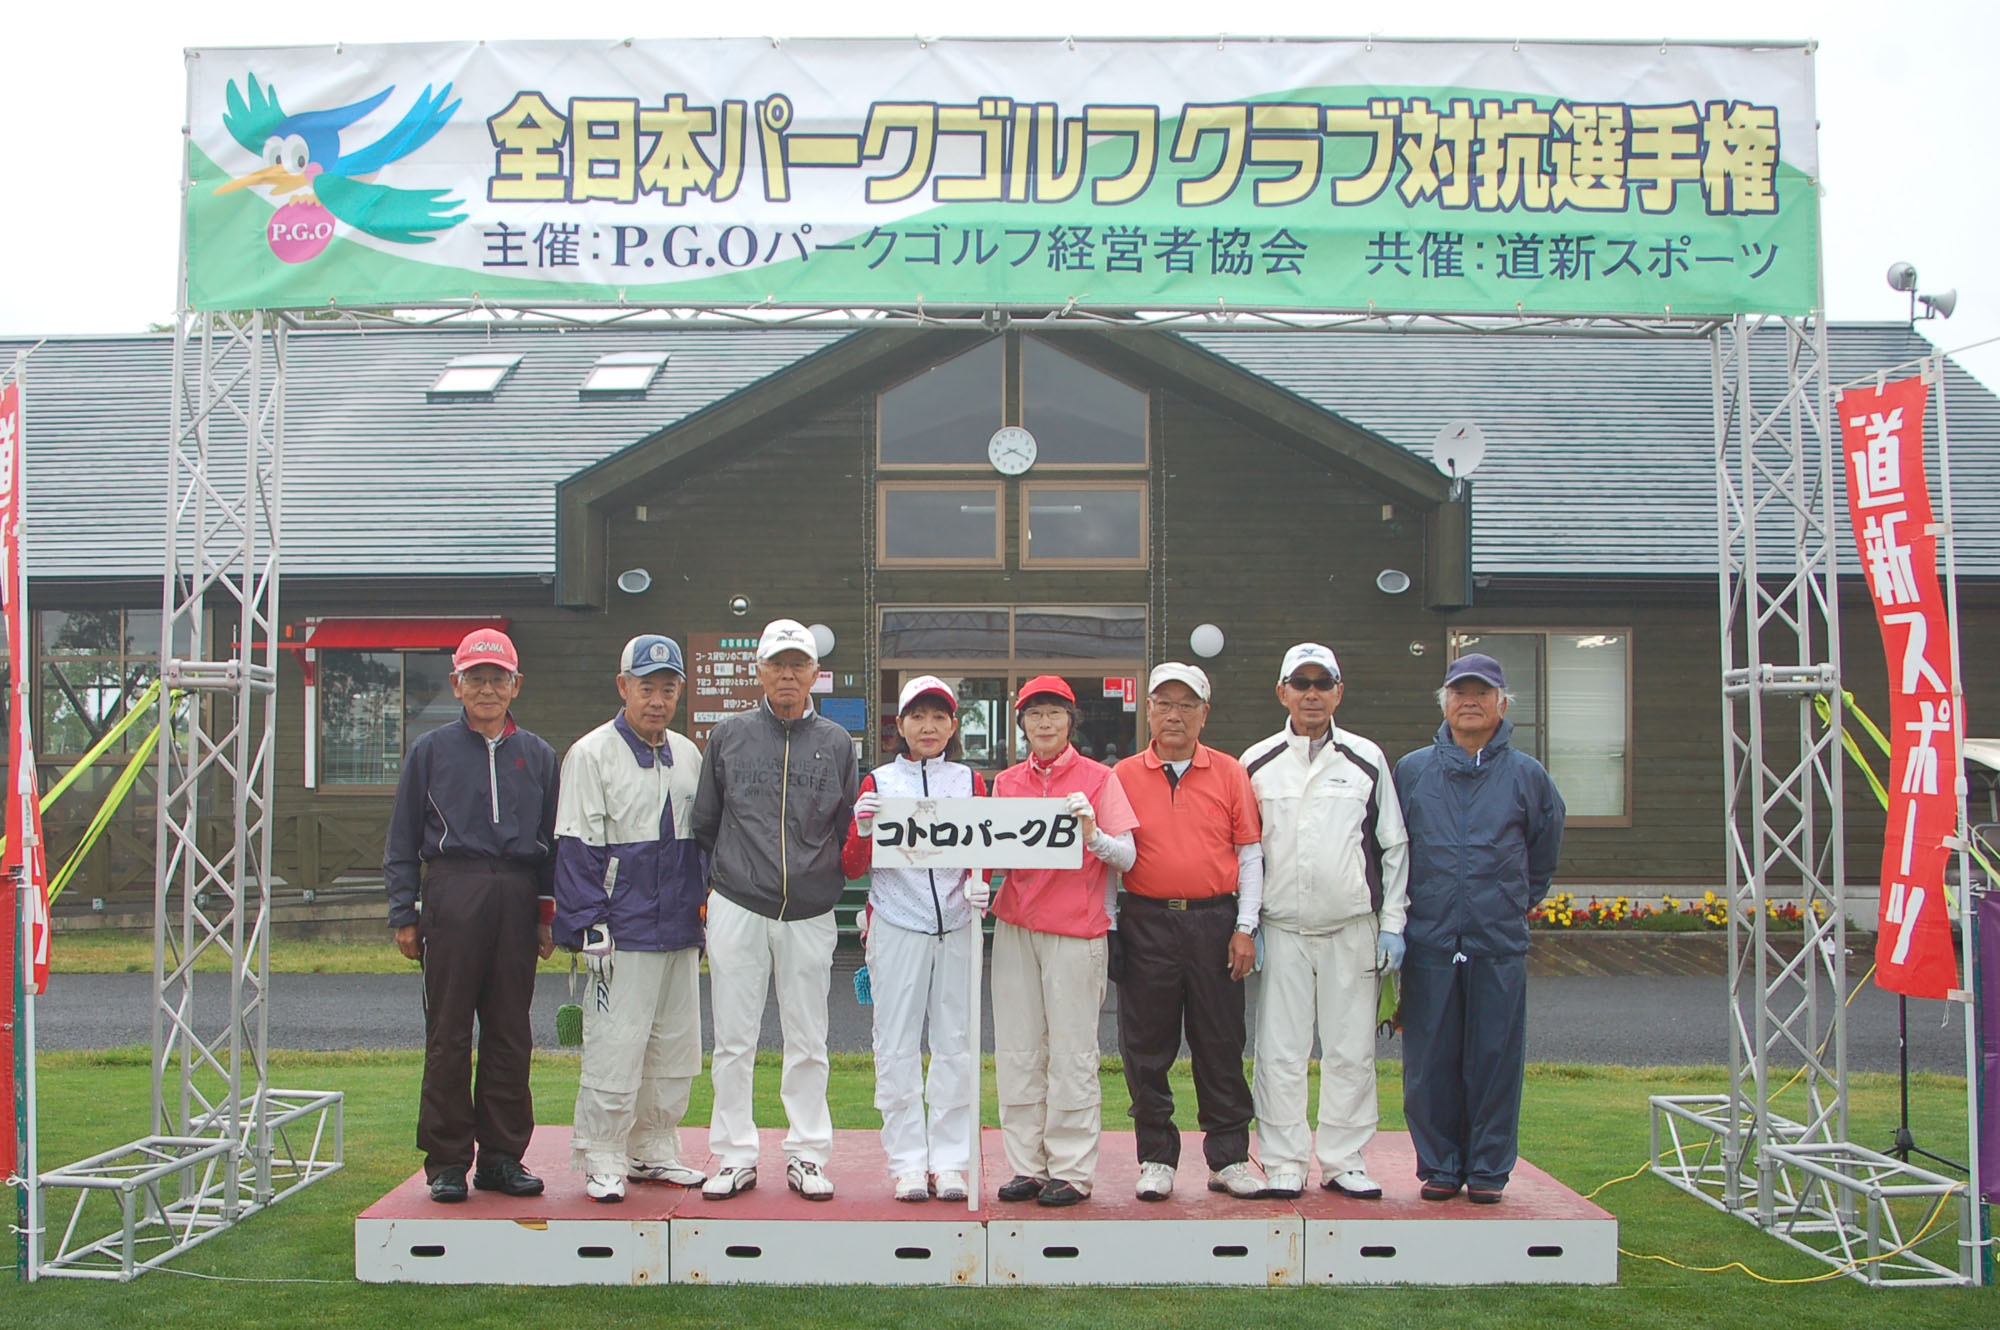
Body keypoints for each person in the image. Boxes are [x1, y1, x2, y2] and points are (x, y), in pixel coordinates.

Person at [383, 628, 558, 1204]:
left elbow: (553, 843)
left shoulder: (539, 756)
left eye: (497, 678)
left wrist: (546, 913)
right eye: (476, 678)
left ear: (516, 685)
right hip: (452, 892)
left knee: (510, 1032)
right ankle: (448, 1161)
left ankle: (502, 1158)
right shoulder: (430, 751)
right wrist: (404, 912)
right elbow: (402, 837)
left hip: (516, 893)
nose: (487, 689)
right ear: (456, 684)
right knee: (449, 1033)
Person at [691, 618, 859, 1201]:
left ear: (816, 674)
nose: (788, 674)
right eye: (777, 664)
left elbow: (846, 826)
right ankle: (734, 1155)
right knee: (733, 1039)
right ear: (758, 670)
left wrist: (823, 880)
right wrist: (716, 889)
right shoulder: (729, 735)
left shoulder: (837, 742)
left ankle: (808, 1153)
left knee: (809, 1039)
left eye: (798, 665)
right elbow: (705, 822)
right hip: (738, 902)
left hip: (809, 910)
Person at [1395, 652, 1565, 1205]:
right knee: (1430, 1061)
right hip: (1429, 940)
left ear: (1502, 703)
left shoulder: (1527, 776)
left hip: (1497, 942)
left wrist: (1512, 902)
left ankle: (1489, 1170)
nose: (1470, 702)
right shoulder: (1413, 771)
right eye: (1459, 692)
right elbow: (1391, 850)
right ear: (1444, 702)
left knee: (1495, 1059)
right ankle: (1441, 1166)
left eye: (1482, 693)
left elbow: (1543, 850)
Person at [1241, 643, 1410, 1200]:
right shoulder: (1256, 762)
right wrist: (1248, 922)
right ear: (1282, 691)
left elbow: (1393, 845)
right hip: (1282, 928)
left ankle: (1343, 1160)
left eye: (1322, 683)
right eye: (1301, 683)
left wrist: (1393, 923)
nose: (1311, 694)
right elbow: (1243, 849)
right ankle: (1284, 1161)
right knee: (1279, 1052)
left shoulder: (1366, 758)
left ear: (1339, 692)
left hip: (1352, 928)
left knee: (1350, 1049)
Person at [553, 635, 708, 1203]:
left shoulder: (689, 755)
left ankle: (654, 1148)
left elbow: (701, 844)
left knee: (675, 1047)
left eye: (668, 688)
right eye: (647, 687)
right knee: (616, 1046)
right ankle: (602, 1154)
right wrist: (588, 924)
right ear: (623, 687)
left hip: (680, 929)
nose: (657, 700)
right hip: (622, 931)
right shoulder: (591, 754)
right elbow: (576, 847)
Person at [1112, 663, 1265, 1201]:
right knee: (1146, 1046)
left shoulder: (1230, 772)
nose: (1174, 715)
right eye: (1164, 704)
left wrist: (1246, 926)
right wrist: (1112, 926)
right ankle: (1156, 1156)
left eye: (1186, 705)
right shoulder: (1122, 775)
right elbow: (1111, 857)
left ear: (1205, 713)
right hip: (1146, 919)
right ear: (1149, 710)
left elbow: (1249, 854)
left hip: (1214, 921)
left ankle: (1229, 1157)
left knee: (1220, 1041)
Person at [989, 676, 1139, 1207]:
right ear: (1022, 724)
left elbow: (1127, 857)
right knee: (1019, 1048)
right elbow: (995, 852)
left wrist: (1092, 834)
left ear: (1071, 721)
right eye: (1034, 714)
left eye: (1054, 713)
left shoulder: (1100, 779)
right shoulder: (1006, 783)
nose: (1044, 723)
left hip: (1076, 930)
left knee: (1072, 1051)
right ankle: (1028, 1165)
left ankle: (1071, 1168)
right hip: (1016, 927)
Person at [841, 676, 985, 1202]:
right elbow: (852, 866)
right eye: (917, 717)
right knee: (896, 1047)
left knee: (955, 1045)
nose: (929, 727)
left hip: (957, 925)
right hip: (897, 924)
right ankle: (906, 1162)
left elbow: (983, 846)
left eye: (939, 717)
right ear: (899, 725)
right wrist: (861, 829)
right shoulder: (879, 781)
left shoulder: (969, 781)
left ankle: (950, 1162)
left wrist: (980, 881)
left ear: (953, 725)